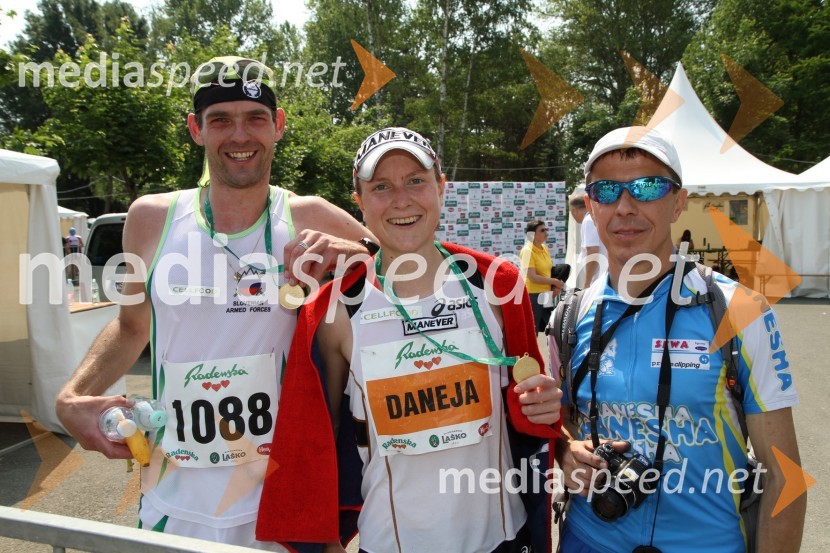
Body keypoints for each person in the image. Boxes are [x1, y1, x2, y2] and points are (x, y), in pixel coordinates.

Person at [55, 56, 376, 550]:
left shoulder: (308, 214)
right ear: (195, 129)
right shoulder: (151, 218)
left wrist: (355, 252)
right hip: (174, 493)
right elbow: (132, 327)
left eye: (255, 118)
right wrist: (71, 397)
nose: (239, 135)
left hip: (283, 495)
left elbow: (406, 271)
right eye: (220, 119)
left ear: (279, 126)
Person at [257, 127, 563, 552]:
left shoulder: (497, 285)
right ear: (359, 202)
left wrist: (545, 403)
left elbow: (531, 406)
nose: (401, 199)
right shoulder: (334, 311)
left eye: (416, 180)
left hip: (501, 538)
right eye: (381, 186)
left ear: (441, 187)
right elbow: (316, 442)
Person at [553, 126, 804, 553]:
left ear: (678, 202)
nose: (625, 207)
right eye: (607, 190)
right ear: (591, 207)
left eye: (647, 187)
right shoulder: (569, 316)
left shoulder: (739, 310)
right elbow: (558, 425)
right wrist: (564, 451)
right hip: (588, 539)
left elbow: (784, 476)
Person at [520, 219, 564, 332]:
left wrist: (555, 287)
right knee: (533, 330)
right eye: (542, 230)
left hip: (546, 294)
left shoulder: (544, 248)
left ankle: (554, 350)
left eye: (546, 229)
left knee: (552, 329)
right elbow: (532, 277)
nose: (546, 233)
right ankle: (530, 350)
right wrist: (554, 282)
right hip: (533, 295)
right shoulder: (527, 251)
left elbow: (547, 272)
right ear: (532, 234)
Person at [568, 194, 607, 288]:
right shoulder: (596, 218)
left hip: (598, 279)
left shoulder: (588, 221)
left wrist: (587, 284)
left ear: (574, 210)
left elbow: (592, 251)